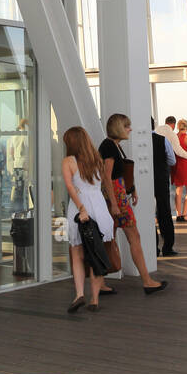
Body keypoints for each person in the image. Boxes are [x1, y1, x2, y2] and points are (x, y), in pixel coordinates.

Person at [97, 114, 168, 294]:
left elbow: (114, 175)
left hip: (117, 196)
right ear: (118, 127)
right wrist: (114, 203)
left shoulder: (113, 146)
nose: (130, 129)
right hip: (116, 198)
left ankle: (100, 284)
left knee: (108, 238)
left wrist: (132, 188)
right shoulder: (110, 147)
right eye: (127, 126)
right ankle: (146, 281)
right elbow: (107, 176)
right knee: (133, 236)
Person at [62, 126, 116, 312]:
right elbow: (99, 185)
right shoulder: (96, 160)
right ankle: (94, 299)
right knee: (96, 252)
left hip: (80, 206)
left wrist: (81, 207)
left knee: (77, 254)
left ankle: (79, 294)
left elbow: (70, 187)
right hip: (98, 206)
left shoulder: (69, 161)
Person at [150, 117, 177, 256]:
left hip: (145, 181)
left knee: (147, 213)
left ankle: (152, 247)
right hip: (161, 179)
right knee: (164, 211)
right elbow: (172, 160)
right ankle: (168, 246)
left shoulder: (135, 141)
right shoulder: (162, 140)